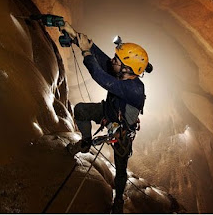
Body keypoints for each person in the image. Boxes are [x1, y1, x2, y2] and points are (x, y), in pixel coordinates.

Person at [60, 22, 150, 213]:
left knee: (120, 169)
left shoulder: (133, 90)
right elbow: (103, 60)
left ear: (127, 69)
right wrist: (78, 37)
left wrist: (86, 53)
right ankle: (85, 142)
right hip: (108, 111)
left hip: (122, 132)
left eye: (118, 60)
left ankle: (118, 200)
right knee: (81, 110)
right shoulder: (124, 74)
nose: (113, 61)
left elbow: (100, 76)